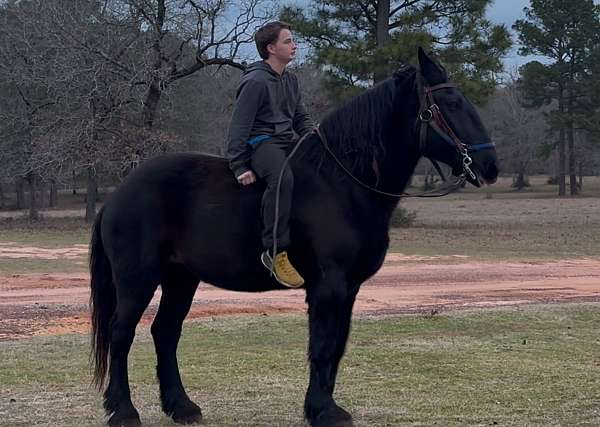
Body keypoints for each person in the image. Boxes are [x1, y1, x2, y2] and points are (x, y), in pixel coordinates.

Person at [227, 21, 314, 288]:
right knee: (283, 179)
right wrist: (239, 165)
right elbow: (239, 126)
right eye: (288, 41)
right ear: (271, 48)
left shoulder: (290, 79)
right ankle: (275, 251)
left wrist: (315, 138)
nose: (294, 45)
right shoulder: (254, 81)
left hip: (287, 141)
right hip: (261, 143)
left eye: (293, 40)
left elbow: (300, 117)